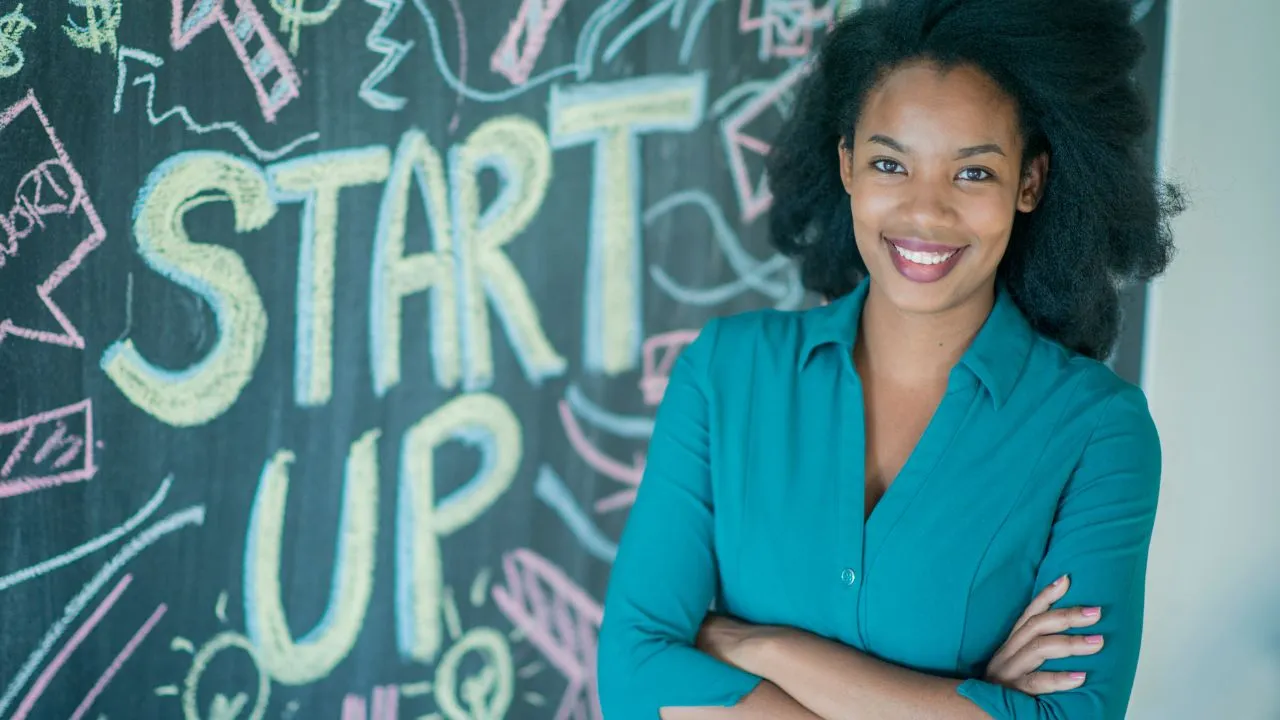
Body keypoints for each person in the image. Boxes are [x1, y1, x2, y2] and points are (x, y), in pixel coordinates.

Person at [596, 0, 1185, 717]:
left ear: (1029, 183)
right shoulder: (726, 374)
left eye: (972, 174)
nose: (925, 212)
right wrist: (966, 701)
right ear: (846, 165)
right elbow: (633, 676)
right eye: (889, 163)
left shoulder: (1098, 431)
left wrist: (754, 646)